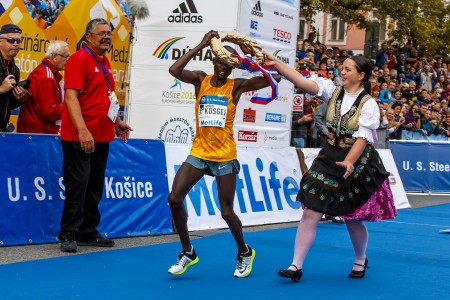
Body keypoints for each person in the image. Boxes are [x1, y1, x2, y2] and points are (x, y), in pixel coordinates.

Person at [263, 52, 397, 282]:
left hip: (356, 159)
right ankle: (296, 265)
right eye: (342, 68)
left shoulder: (369, 104)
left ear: (361, 75)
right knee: (310, 211)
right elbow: (301, 81)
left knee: (352, 217)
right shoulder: (331, 90)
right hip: (329, 154)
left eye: (348, 69)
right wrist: (276, 64)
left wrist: (349, 162)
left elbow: (362, 139)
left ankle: (360, 258)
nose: (342, 72)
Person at [166, 30, 279, 278]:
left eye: (230, 65)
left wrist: (253, 57)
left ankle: (244, 252)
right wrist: (201, 44)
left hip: (224, 156)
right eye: (221, 62)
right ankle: (188, 251)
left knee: (226, 212)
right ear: (213, 60)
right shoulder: (200, 80)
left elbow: (274, 79)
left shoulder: (235, 86)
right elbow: (174, 71)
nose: (224, 69)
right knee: (174, 198)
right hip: (199, 151)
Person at [57, 19, 132, 253]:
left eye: (109, 33)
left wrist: (117, 122)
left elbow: (107, 97)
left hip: (101, 135)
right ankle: (68, 233)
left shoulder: (105, 62)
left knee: (95, 185)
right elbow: (70, 98)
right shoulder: (79, 60)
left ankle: (88, 231)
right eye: (101, 33)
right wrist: (82, 130)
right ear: (88, 37)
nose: (107, 37)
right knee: (77, 185)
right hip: (79, 136)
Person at [17, 40, 69, 134]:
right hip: (37, 136)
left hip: (35, 133)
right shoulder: (46, 77)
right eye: (66, 57)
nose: (68, 60)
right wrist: (69, 104)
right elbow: (49, 113)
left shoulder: (46, 73)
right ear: (55, 57)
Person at [0, 24, 28, 132]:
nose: (15, 44)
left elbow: (7, 104)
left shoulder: (14, 69)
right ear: (0, 42)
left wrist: (19, 98)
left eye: (18, 40)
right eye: (11, 40)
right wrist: (1, 89)